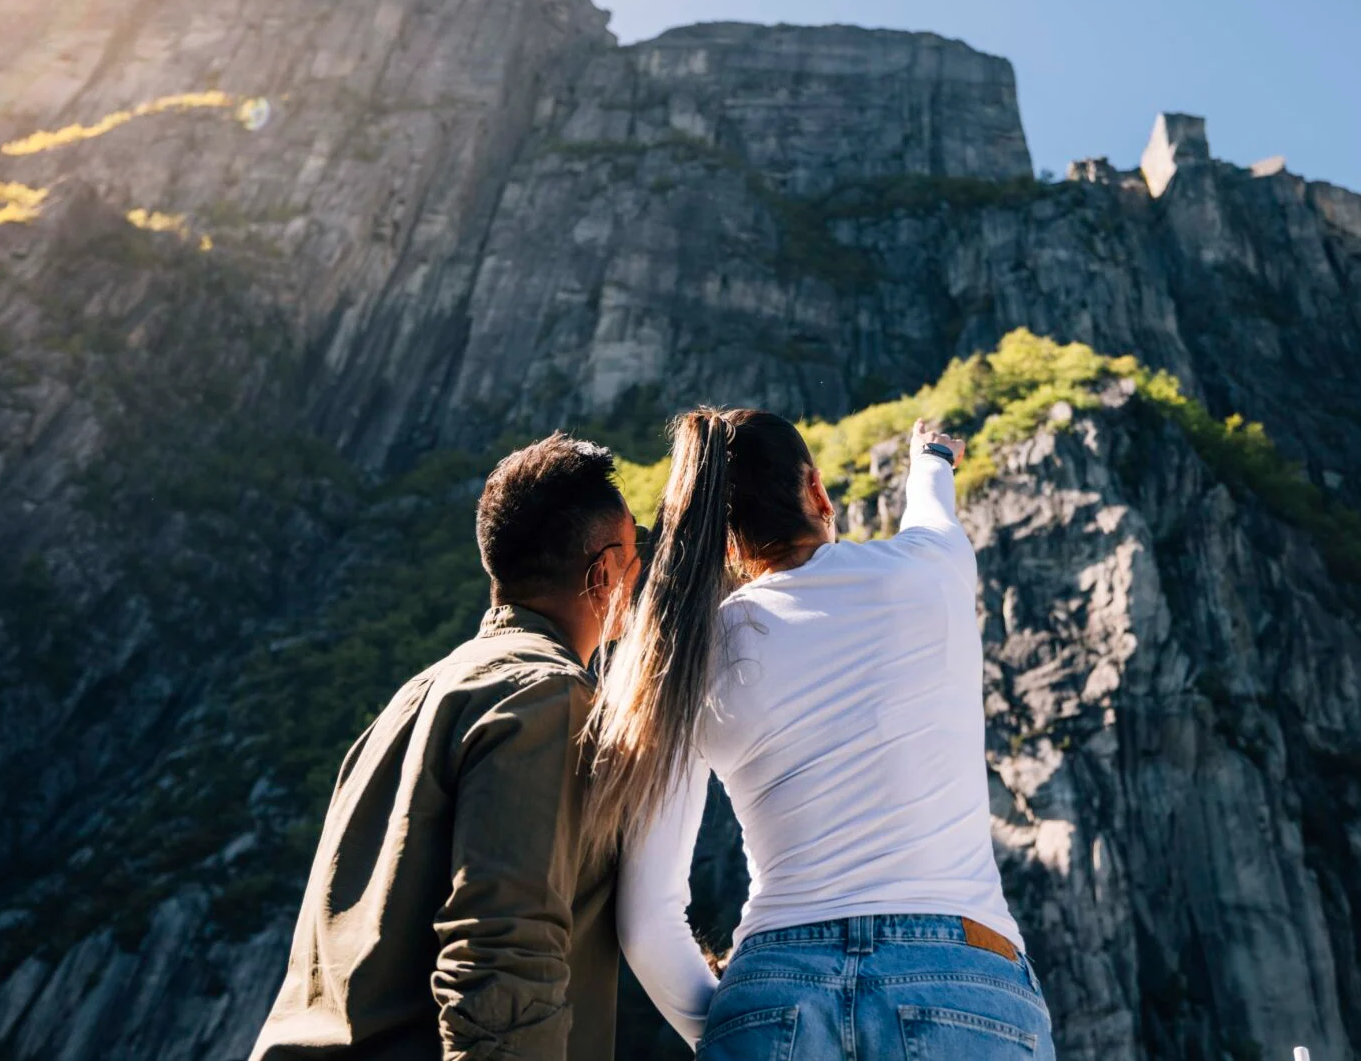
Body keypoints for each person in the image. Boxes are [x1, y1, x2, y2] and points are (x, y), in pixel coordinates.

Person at [584, 410, 1055, 1059]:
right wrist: (931, 453)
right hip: (961, 982)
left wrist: (738, 1026)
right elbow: (931, 508)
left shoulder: (692, 651)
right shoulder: (928, 571)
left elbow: (645, 921)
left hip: (770, 987)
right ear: (818, 491)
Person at [251, 433, 639, 1061]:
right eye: (635, 551)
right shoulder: (545, 697)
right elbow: (504, 950)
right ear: (602, 574)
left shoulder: (409, 703)